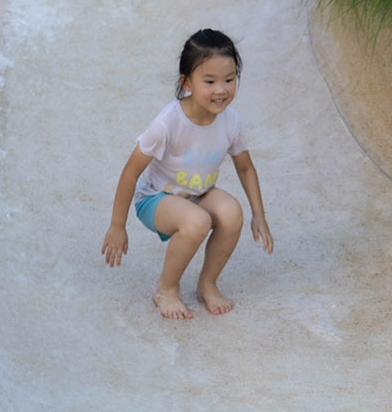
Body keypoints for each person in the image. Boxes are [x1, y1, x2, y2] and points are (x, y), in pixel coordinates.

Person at [101, 29, 273, 320]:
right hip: (156, 199)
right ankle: (166, 289)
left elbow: (245, 167)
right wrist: (118, 225)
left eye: (229, 80)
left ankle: (207, 284)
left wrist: (260, 215)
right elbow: (130, 173)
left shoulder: (231, 122)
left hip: (197, 194)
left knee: (231, 213)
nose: (221, 89)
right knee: (198, 221)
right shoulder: (168, 123)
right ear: (187, 83)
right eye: (210, 81)